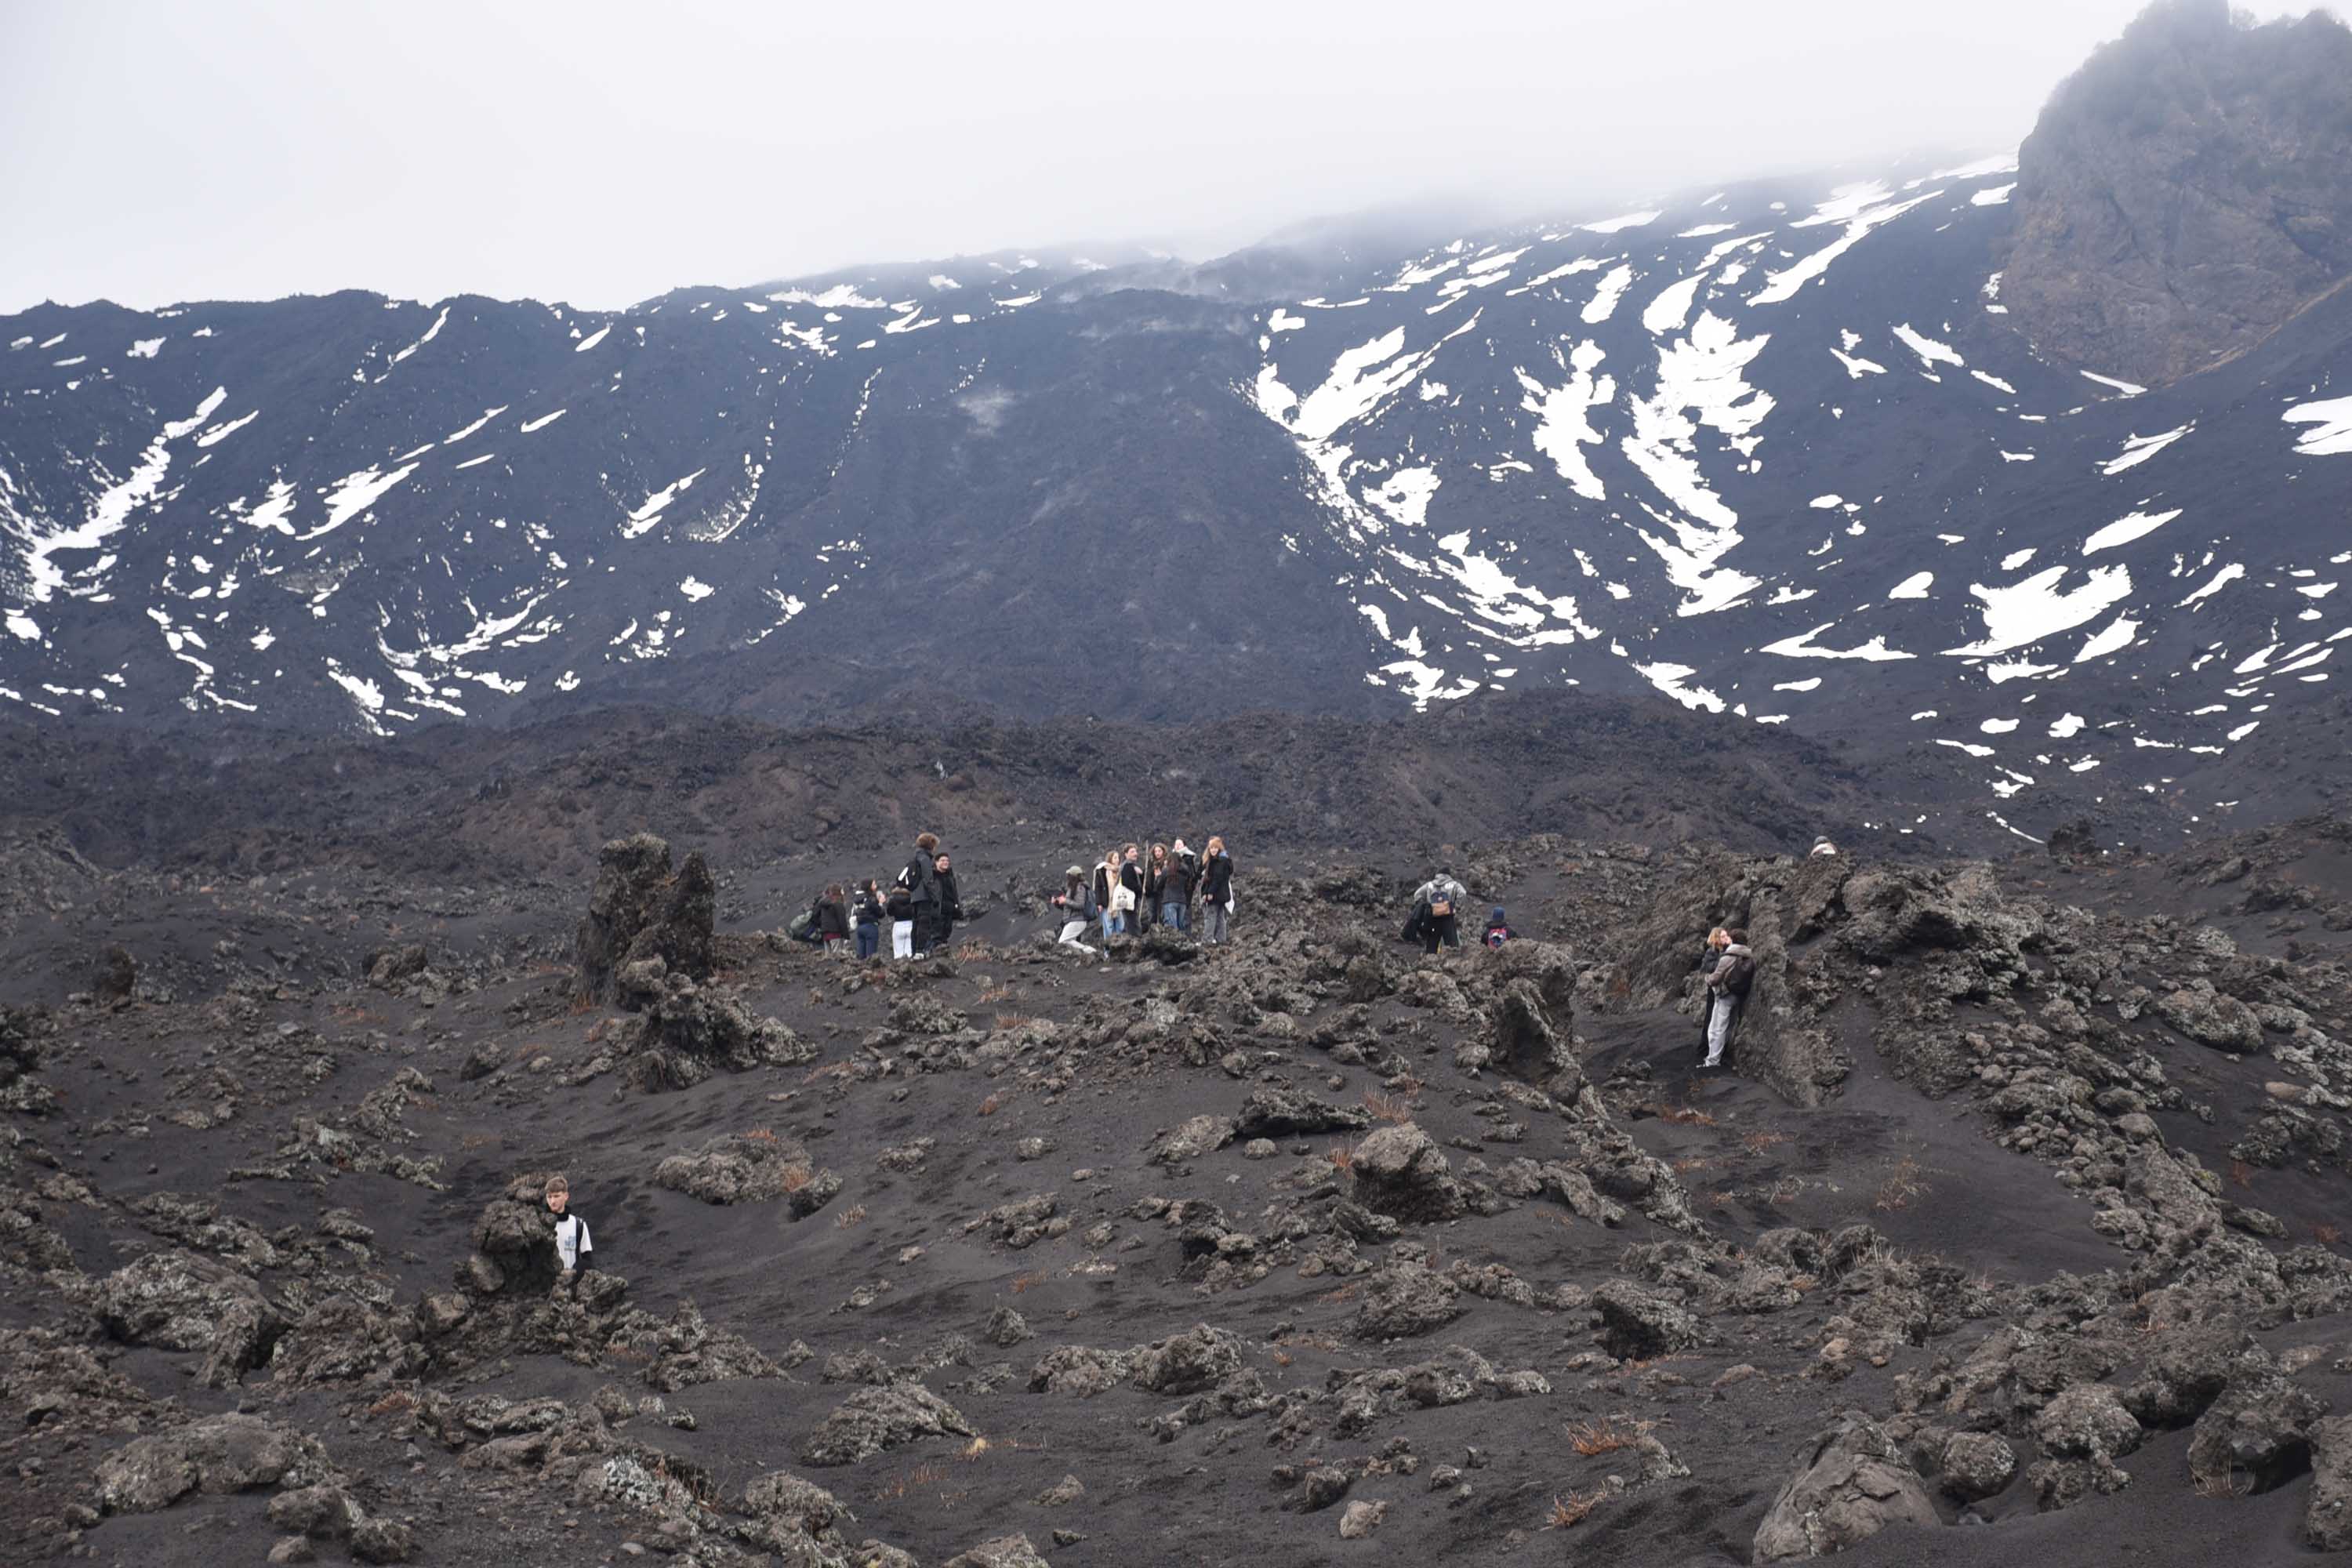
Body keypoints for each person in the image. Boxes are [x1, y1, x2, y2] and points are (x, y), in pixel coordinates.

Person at [1700, 927, 1756, 1068]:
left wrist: (1708, 978)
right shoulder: (1749, 955)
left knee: (1716, 1028)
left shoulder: (1728, 956)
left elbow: (1715, 978)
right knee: (1730, 1026)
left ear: (1733, 940)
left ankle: (1713, 1060)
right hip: (1739, 995)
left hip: (1725, 995)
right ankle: (1724, 1054)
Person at [898, 832, 944, 956]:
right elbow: (928, 880)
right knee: (924, 924)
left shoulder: (916, 857)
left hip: (914, 897)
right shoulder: (925, 859)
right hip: (924, 897)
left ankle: (915, 952)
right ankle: (920, 951)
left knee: (916, 924)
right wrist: (935, 898)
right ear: (931, 845)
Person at [546, 1174, 593, 1282]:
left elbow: (588, 1260)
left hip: (571, 1285)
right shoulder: (539, 1225)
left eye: (556, 1196)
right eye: (549, 1197)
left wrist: (576, 1273)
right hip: (546, 1287)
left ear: (566, 1196)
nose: (552, 1201)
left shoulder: (579, 1225)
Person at [1414, 867, 1469, 953]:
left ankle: (1430, 961)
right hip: (1448, 918)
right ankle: (1453, 962)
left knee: (1432, 944)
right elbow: (1463, 893)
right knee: (1452, 945)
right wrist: (1456, 905)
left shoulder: (1430, 885)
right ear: (1448, 875)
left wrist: (1426, 906)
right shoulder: (1454, 884)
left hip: (1433, 918)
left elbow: (1417, 895)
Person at [1199, 837, 1233, 944]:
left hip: (1216, 894)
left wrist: (1209, 892)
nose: (1213, 850)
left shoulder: (1219, 861)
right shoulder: (1225, 860)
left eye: (1215, 848)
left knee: (1211, 916)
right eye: (1211, 848)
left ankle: (1207, 940)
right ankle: (1221, 940)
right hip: (1222, 894)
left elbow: (1216, 879)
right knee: (1220, 916)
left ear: (1219, 848)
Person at [1051, 865, 1096, 949]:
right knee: (1071, 943)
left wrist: (1065, 901)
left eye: (1069, 875)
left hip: (1077, 920)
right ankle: (1087, 954)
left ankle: (1090, 951)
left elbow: (1080, 905)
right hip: (1074, 920)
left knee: (1063, 941)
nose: (1067, 877)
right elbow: (1069, 907)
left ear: (1072, 877)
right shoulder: (1074, 888)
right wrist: (1057, 903)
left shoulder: (1080, 888)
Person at [1163, 839, 1198, 931]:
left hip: (1173, 898)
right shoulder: (1185, 869)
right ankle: (1184, 941)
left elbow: (1159, 883)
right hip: (1182, 898)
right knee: (1181, 923)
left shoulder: (1188, 859)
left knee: (1172, 925)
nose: (1177, 846)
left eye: (1180, 844)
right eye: (1176, 844)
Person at [933, 853, 963, 951]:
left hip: (949, 907)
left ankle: (943, 948)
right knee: (937, 931)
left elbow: (954, 892)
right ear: (937, 862)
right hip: (938, 908)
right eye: (943, 860)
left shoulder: (950, 876)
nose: (945, 862)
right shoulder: (933, 876)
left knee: (947, 930)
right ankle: (936, 949)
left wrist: (957, 906)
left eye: (947, 861)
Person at [853, 879, 886, 961]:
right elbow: (881, 914)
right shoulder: (871, 898)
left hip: (860, 927)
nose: (876, 886)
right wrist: (881, 903)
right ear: (869, 886)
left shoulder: (858, 898)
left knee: (861, 957)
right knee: (871, 957)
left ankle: (861, 972)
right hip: (870, 927)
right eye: (874, 884)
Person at [816, 883, 851, 956]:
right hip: (835, 934)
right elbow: (842, 921)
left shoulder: (824, 904)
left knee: (828, 959)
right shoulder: (838, 903)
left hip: (825, 935)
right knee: (837, 956)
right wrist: (846, 936)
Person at [1093, 850, 1121, 939]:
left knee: (1120, 926)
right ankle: (1108, 950)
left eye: (1118, 858)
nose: (1117, 860)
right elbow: (1098, 887)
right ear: (1110, 859)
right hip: (1107, 903)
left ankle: (1120, 948)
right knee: (1109, 927)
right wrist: (1099, 903)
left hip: (1119, 903)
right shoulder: (1102, 871)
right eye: (1115, 857)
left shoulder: (1120, 871)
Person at [887, 878, 916, 960]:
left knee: (898, 952)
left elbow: (889, 912)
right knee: (910, 951)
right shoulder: (913, 898)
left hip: (898, 925)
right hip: (910, 924)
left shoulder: (893, 899)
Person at [1119, 844, 1145, 935]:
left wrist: (1141, 874)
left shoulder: (1129, 866)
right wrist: (1139, 889)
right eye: (1132, 852)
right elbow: (1127, 882)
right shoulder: (1128, 866)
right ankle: (1134, 941)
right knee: (1132, 922)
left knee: (1130, 922)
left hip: (1126, 899)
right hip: (1128, 899)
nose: (1135, 854)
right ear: (1126, 854)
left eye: (1136, 852)